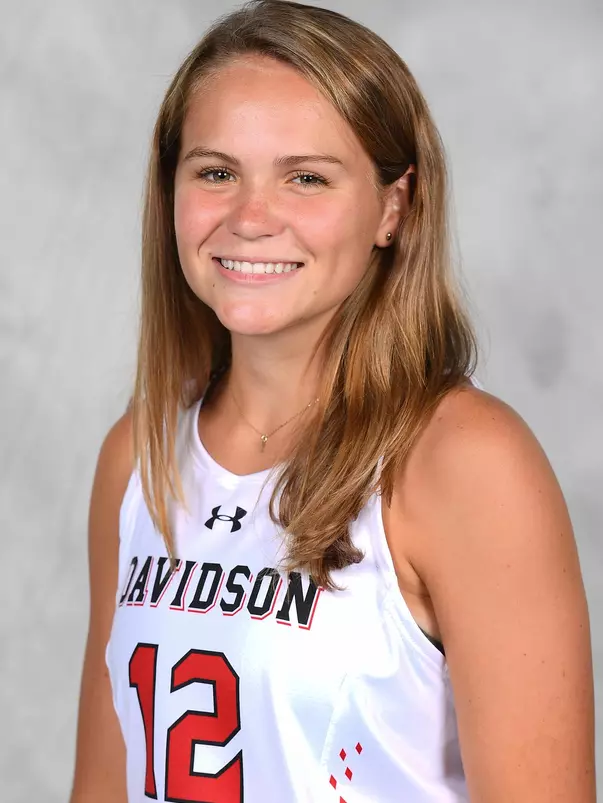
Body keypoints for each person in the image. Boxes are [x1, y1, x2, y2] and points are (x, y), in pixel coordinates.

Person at [69, 1, 595, 801]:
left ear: (393, 206)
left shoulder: (462, 463)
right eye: (216, 172)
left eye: (305, 177)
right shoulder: (138, 458)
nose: (250, 218)